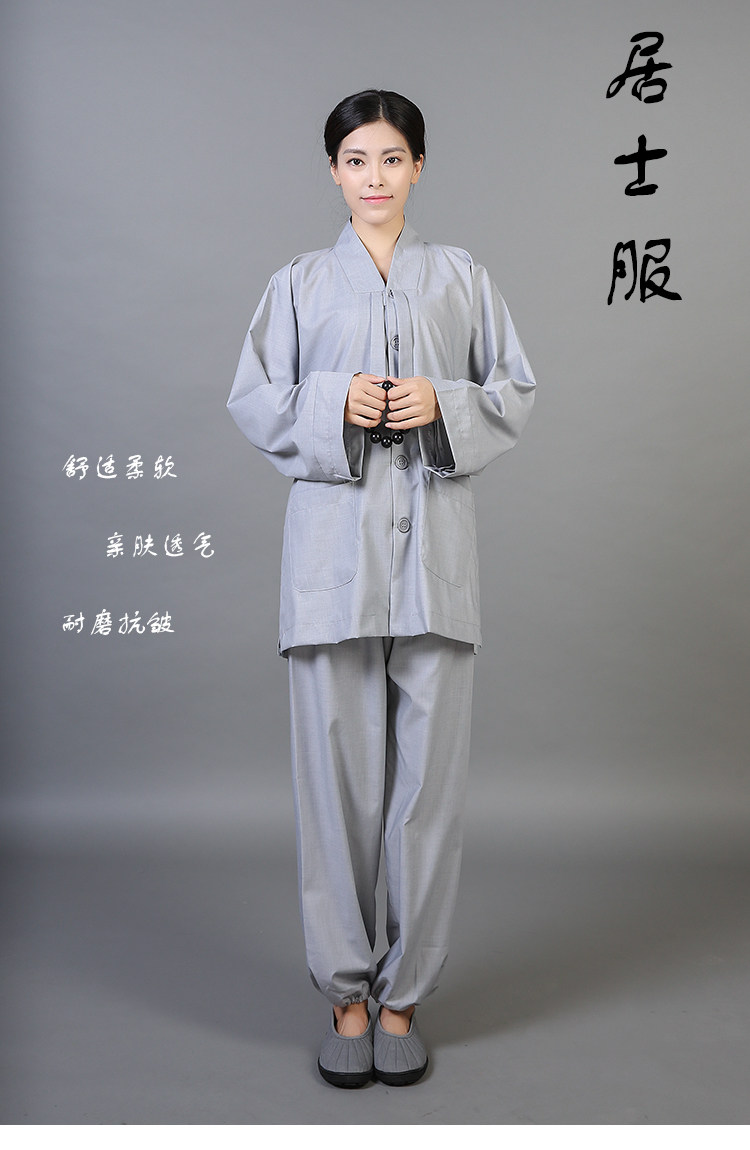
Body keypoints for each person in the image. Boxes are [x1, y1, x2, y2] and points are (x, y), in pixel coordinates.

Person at [227, 89, 536, 1087]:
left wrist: (440, 402)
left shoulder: (463, 277)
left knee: (426, 794)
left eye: (392, 158)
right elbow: (253, 397)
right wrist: (336, 403)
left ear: (418, 167)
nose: (374, 176)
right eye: (356, 159)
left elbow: (513, 389)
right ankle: (347, 995)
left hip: (435, 562)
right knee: (335, 789)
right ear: (333, 170)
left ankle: (403, 997)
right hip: (330, 567)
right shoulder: (298, 283)